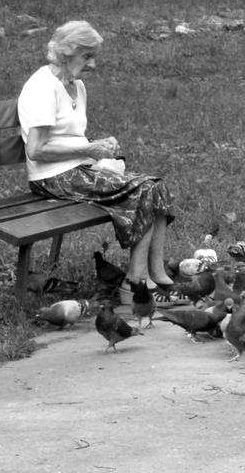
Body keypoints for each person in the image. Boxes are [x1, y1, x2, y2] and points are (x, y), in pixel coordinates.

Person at [18, 20, 180, 305]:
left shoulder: (76, 86)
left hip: (77, 170)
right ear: (68, 52)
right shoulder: (43, 87)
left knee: (156, 186)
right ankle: (135, 284)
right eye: (87, 56)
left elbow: (71, 137)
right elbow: (37, 149)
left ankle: (155, 274)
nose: (92, 65)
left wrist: (99, 147)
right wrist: (89, 149)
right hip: (53, 177)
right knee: (142, 188)